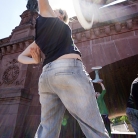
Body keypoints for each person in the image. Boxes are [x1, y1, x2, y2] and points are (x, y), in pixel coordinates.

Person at [18, 0, 109, 138]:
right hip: (68, 70)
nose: (57, 12)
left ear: (61, 17)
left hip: (46, 77)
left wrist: (35, 60)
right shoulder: (50, 19)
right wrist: (36, 60)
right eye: (58, 10)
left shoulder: (41, 31)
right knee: (94, 127)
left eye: (61, 12)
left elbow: (20, 57)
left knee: (47, 129)